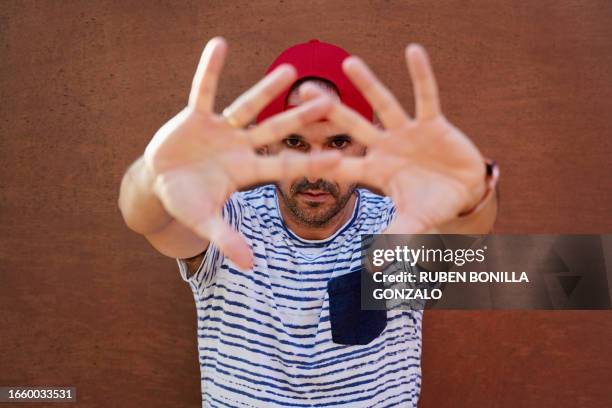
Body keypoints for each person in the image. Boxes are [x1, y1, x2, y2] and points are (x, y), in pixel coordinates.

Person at [118, 37, 498, 407]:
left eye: (337, 143)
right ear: (265, 146)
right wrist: (153, 176)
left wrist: (470, 196)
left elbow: (460, 237)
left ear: (365, 145)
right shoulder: (230, 221)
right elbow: (150, 219)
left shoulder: (398, 224)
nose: (315, 171)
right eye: (295, 143)